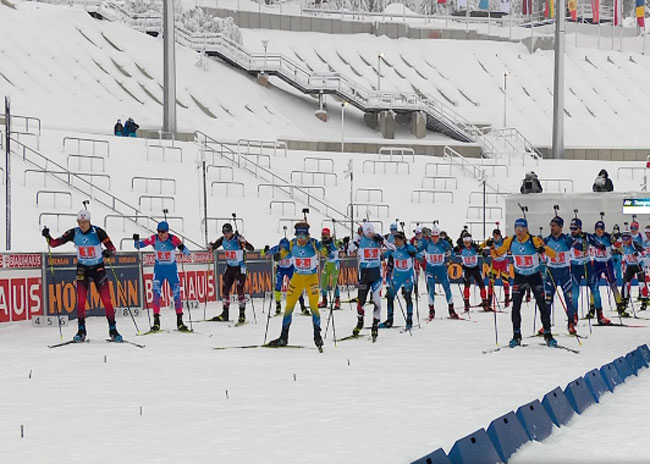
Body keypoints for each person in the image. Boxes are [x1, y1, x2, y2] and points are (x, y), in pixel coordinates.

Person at [42, 209, 121, 342]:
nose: (82, 225)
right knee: (81, 300)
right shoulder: (73, 232)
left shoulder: (98, 232)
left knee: (106, 300)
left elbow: (113, 249)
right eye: (80, 222)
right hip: (82, 268)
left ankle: (113, 330)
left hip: (98, 268)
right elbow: (54, 244)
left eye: (84, 222)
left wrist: (108, 252)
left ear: (89, 221)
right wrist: (47, 236)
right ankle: (81, 331)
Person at [491, 218, 558, 348]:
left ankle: (548, 335)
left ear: (527, 229)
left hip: (534, 276)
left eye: (521, 229)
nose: (519, 232)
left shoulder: (534, 240)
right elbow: (497, 254)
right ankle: (516, 335)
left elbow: (553, 255)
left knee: (542, 305)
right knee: (515, 307)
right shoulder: (511, 241)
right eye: (517, 229)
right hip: (519, 276)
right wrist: (492, 246)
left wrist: (543, 249)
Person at [268, 222, 324, 349]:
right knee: (289, 306)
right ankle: (283, 337)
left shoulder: (314, 244)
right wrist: (277, 255)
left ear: (308, 236)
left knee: (314, 306)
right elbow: (283, 253)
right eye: (299, 237)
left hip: (311, 279)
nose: (301, 240)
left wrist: (328, 243)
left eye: (303, 237)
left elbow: (326, 249)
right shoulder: (292, 244)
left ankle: (317, 336)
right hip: (297, 278)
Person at [133, 221, 191, 332]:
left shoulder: (173, 239)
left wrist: (184, 251)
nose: (160, 234)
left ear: (167, 232)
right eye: (158, 231)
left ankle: (180, 321)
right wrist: (136, 240)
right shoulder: (153, 239)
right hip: (159, 271)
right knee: (156, 294)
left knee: (176, 295)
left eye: (162, 232)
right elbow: (138, 246)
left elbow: (183, 247)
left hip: (171, 271)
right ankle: (156, 322)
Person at [347, 222, 396, 341]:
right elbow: (349, 251)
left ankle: (375, 324)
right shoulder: (359, 239)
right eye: (368, 233)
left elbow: (393, 248)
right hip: (364, 275)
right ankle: (360, 322)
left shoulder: (378, 238)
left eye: (371, 233)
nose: (370, 235)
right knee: (361, 301)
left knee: (377, 301)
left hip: (376, 276)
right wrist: (352, 242)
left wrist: (382, 240)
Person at [208, 223, 254, 324]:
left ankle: (242, 314)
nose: (226, 235)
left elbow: (251, 248)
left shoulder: (237, 239)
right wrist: (211, 246)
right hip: (230, 267)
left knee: (239, 289)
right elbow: (214, 246)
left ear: (232, 232)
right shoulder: (222, 240)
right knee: (225, 289)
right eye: (224, 233)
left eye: (228, 233)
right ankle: (225, 313)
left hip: (240, 267)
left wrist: (244, 243)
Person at [543, 216, 581, 334]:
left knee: (569, 299)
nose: (552, 228)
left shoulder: (566, 239)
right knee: (547, 300)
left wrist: (579, 239)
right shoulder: (547, 240)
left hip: (564, 272)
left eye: (554, 226)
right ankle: (546, 326)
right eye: (551, 226)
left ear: (560, 227)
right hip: (551, 272)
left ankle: (570, 323)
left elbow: (581, 248)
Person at [568, 218, 608, 323]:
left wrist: (601, 246)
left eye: (575, 228)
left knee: (595, 290)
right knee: (575, 293)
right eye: (571, 228)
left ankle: (600, 315)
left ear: (580, 228)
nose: (573, 230)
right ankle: (574, 316)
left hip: (587, 265)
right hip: (575, 266)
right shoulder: (568, 237)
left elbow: (595, 242)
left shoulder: (586, 236)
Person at [418, 226, 456, 320]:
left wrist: (450, 253)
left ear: (439, 236)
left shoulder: (444, 243)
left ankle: (451, 309)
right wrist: (418, 256)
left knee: (447, 287)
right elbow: (416, 251)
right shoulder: (427, 243)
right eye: (432, 236)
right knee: (431, 288)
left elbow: (453, 254)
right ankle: (431, 310)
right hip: (430, 268)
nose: (434, 239)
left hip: (441, 268)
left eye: (436, 236)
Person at [381, 232, 418, 330]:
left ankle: (409, 320)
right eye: (395, 239)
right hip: (397, 275)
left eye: (397, 239)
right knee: (390, 296)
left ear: (402, 240)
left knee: (407, 296)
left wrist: (413, 253)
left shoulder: (408, 247)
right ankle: (389, 320)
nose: (396, 241)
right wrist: (380, 256)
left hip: (407, 275)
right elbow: (384, 255)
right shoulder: (393, 248)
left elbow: (416, 254)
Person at [263, 236, 307, 316]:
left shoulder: (291, 250)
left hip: (290, 268)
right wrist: (266, 250)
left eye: (284, 247)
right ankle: (278, 305)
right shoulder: (277, 248)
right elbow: (266, 253)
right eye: (281, 247)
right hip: (281, 269)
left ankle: (302, 305)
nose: (282, 249)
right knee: (278, 285)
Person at [591, 221, 620, 319]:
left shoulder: (607, 237)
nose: (599, 232)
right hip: (597, 263)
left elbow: (618, 246)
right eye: (597, 230)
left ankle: (619, 305)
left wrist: (615, 240)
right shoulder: (592, 237)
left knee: (613, 284)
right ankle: (592, 308)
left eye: (601, 230)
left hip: (607, 262)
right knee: (594, 286)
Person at [615, 230, 646, 317]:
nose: (625, 240)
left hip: (638, 264)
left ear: (630, 238)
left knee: (641, 282)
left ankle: (644, 299)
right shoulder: (622, 244)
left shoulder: (634, 244)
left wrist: (638, 254)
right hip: (630, 265)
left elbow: (644, 252)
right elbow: (615, 248)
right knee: (626, 282)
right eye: (624, 238)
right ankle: (624, 300)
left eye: (627, 238)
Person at [455, 233, 488, 312]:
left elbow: (481, 250)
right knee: (467, 285)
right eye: (465, 241)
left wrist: (483, 253)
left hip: (475, 268)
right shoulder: (461, 248)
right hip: (466, 269)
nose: (467, 243)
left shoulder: (474, 247)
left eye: (468, 241)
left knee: (481, 284)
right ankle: (466, 304)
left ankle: (484, 302)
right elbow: (453, 250)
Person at [484, 227, 511, 308]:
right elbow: (481, 246)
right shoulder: (491, 242)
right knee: (491, 281)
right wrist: (481, 251)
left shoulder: (504, 241)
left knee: (505, 281)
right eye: (494, 236)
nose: (496, 237)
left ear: (500, 236)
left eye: (497, 236)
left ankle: (506, 298)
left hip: (503, 263)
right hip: (495, 264)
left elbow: (511, 246)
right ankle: (489, 300)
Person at [318, 227, 342, 309]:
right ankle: (324, 300)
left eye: (326, 235)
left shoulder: (333, 242)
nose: (324, 237)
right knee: (323, 281)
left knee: (334, 282)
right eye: (323, 235)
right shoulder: (321, 243)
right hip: (327, 263)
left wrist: (342, 243)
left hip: (335, 263)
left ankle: (337, 300)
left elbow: (338, 246)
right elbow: (318, 247)